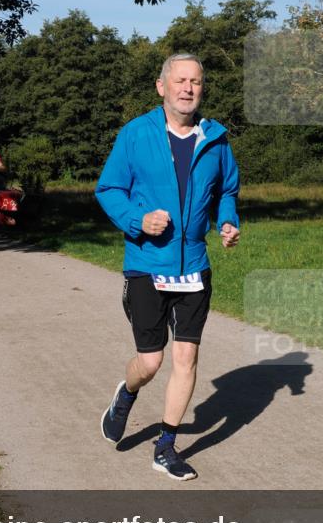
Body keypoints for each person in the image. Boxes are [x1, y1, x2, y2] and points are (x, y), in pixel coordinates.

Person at [95, 53, 241, 481]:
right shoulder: (135, 134)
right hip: (147, 263)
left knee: (187, 356)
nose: (188, 88)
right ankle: (126, 394)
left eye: (195, 81)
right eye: (180, 80)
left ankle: (166, 446)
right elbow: (109, 189)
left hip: (194, 264)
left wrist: (228, 221)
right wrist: (137, 221)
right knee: (151, 361)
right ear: (162, 87)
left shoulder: (216, 138)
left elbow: (226, 191)